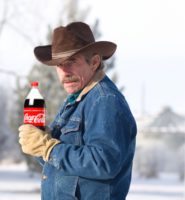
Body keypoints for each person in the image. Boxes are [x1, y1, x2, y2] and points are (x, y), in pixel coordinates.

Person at [18, 22, 137, 200]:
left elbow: (104, 163)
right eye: (59, 65)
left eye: (72, 62)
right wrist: (40, 144)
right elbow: (60, 165)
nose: (65, 71)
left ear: (95, 62)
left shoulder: (105, 100)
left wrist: (50, 149)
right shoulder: (78, 99)